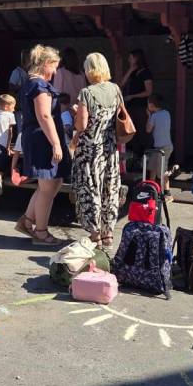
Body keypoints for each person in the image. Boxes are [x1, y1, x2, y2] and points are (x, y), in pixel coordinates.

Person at [16, 45, 71, 246]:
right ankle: (40, 231)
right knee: (48, 186)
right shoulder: (39, 85)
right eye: (54, 66)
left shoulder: (33, 83)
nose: (55, 71)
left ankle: (27, 221)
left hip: (40, 137)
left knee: (52, 183)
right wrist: (56, 144)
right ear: (46, 63)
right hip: (42, 140)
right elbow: (44, 116)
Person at [72, 52, 122, 247]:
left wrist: (76, 113)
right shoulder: (116, 89)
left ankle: (95, 234)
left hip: (90, 150)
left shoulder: (86, 93)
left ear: (89, 70)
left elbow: (82, 125)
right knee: (110, 188)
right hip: (110, 148)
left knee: (90, 188)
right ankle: (108, 233)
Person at [121, 49, 153, 159]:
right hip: (131, 106)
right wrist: (130, 70)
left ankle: (147, 157)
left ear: (137, 58)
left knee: (142, 131)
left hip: (141, 107)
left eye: (131, 58)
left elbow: (148, 91)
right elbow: (121, 84)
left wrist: (133, 96)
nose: (129, 60)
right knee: (132, 131)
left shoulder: (146, 73)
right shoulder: (133, 72)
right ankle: (136, 156)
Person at [146, 93, 174, 196]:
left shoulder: (153, 116)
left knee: (162, 170)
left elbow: (148, 129)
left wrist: (149, 116)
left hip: (163, 148)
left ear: (151, 105)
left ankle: (167, 192)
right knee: (152, 167)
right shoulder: (166, 113)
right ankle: (150, 188)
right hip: (161, 146)